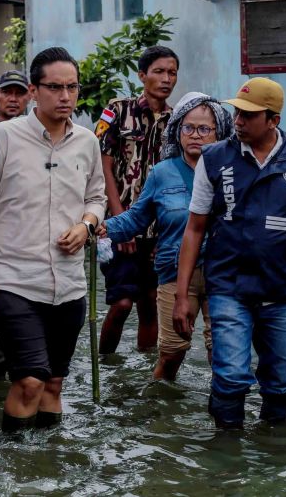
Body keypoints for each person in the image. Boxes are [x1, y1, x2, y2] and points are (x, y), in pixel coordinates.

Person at [0, 47, 106, 431]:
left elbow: (97, 197)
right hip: (14, 281)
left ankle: (48, 470)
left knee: (54, 383)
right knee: (28, 381)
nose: (65, 97)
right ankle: (15, 467)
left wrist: (87, 225)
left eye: (72, 87)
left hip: (70, 283)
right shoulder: (4, 138)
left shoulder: (86, 141)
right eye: (55, 87)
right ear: (33, 90)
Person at [174, 77, 286, 428]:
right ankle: (227, 462)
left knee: (282, 383)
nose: (238, 121)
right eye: (237, 113)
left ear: (273, 120)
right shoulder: (215, 158)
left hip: (282, 291)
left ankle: (275, 459)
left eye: (248, 115)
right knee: (229, 378)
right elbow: (195, 227)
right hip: (229, 287)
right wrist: (182, 295)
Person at [99, 92, 232, 380]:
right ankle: (159, 412)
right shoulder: (162, 173)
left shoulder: (230, 172)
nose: (195, 135)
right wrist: (104, 227)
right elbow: (137, 217)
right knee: (171, 354)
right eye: (188, 127)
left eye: (204, 129)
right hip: (174, 271)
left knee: (222, 355)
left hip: (223, 271)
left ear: (219, 132)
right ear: (177, 131)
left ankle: (224, 416)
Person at [96, 45, 179, 354]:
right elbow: (102, 163)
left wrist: (167, 234)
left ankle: (145, 374)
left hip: (160, 229)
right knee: (120, 303)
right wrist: (120, 223)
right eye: (159, 71)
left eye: (172, 72)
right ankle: (105, 366)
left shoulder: (177, 121)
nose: (166, 78)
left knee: (150, 303)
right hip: (119, 224)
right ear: (142, 75)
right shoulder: (118, 110)